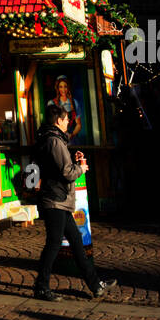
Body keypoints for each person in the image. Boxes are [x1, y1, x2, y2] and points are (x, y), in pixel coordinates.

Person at [33, 102, 117, 302]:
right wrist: (81, 168)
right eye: (66, 119)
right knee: (53, 245)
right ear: (59, 121)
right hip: (55, 199)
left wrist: (74, 161)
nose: (68, 122)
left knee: (77, 243)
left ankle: (95, 285)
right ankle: (41, 287)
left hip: (58, 199)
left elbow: (60, 165)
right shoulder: (54, 140)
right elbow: (66, 173)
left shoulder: (53, 139)